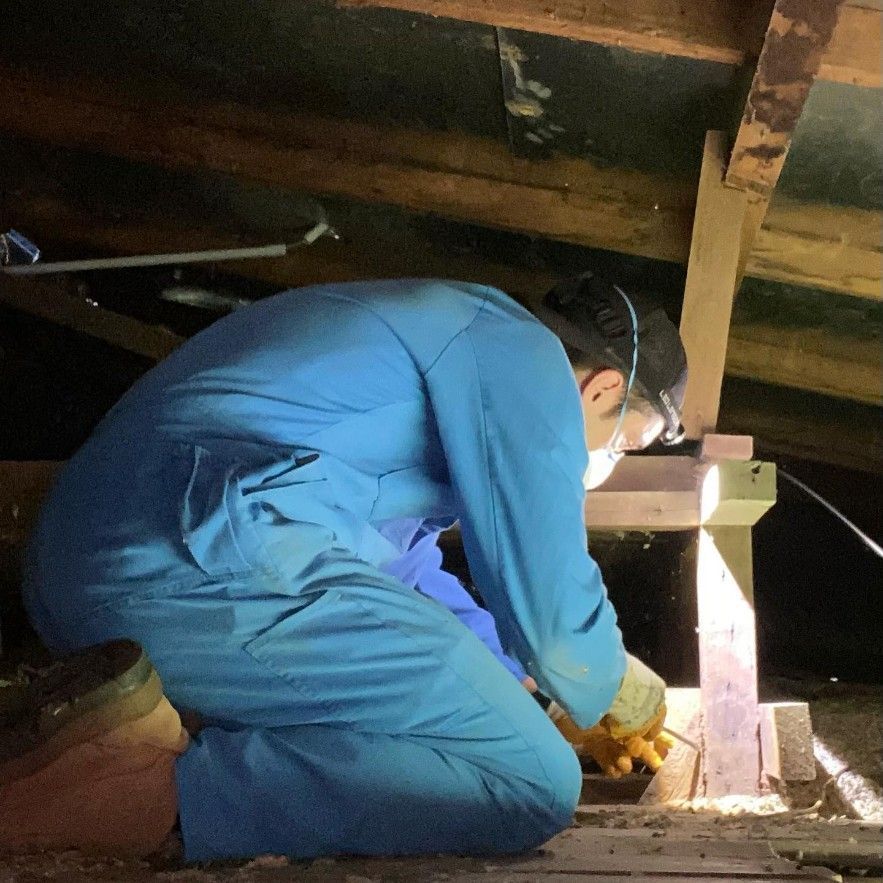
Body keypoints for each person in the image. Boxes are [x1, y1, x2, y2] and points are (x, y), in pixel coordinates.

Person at [1, 273, 687, 860]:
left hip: (107, 568)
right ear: (602, 388)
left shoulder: (430, 349)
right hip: (195, 556)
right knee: (531, 778)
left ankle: (108, 730)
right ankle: (141, 794)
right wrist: (610, 684)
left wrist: (531, 692)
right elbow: (552, 602)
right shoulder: (522, 355)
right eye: (630, 441)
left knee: (499, 737)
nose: (612, 458)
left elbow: (405, 576)